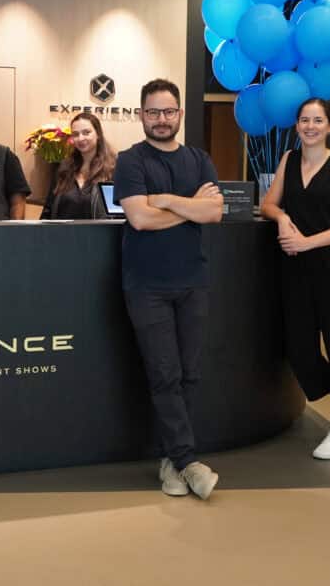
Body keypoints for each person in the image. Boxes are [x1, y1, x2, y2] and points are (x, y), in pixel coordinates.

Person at [112, 78, 224, 500]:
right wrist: (189, 205)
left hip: (193, 281)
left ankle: (171, 460)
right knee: (165, 374)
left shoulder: (199, 159)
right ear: (142, 114)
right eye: (153, 112)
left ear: (179, 114)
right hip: (147, 286)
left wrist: (166, 200)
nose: (162, 119)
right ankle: (188, 461)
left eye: (169, 112)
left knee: (190, 374)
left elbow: (214, 212)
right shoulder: (130, 161)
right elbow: (139, 220)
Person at [259, 97, 330, 460]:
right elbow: (268, 203)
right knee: (299, 349)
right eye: (304, 120)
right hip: (295, 271)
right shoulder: (289, 161)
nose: (310, 126)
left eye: (318, 120)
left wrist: (308, 242)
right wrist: (282, 218)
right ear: (296, 126)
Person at [40, 112, 117, 220]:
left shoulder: (113, 170)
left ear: (98, 134)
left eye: (86, 132)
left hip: (97, 236)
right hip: (62, 235)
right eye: (75, 134)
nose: (81, 138)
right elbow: (48, 210)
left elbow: (118, 216)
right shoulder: (63, 169)